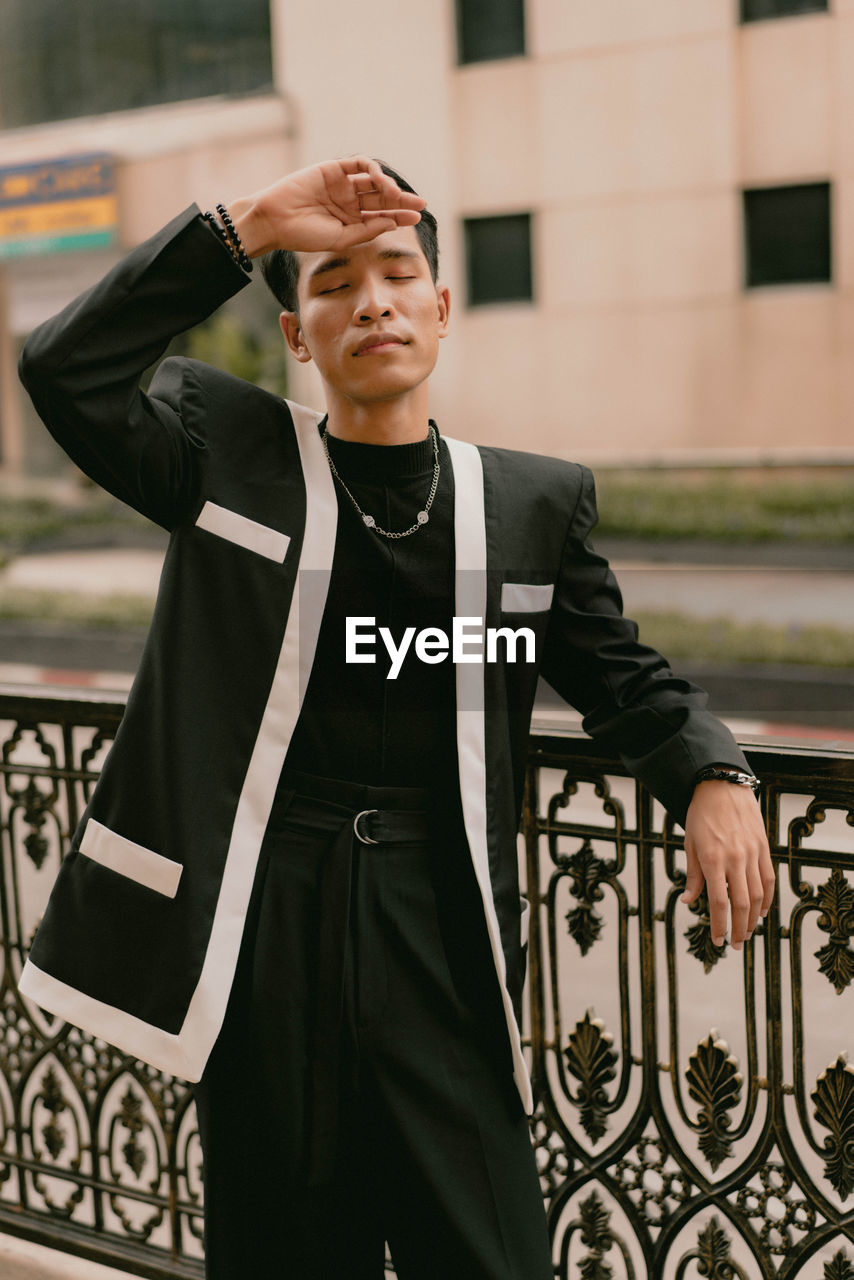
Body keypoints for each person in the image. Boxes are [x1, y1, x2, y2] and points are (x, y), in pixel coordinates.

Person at [17, 157, 775, 1279]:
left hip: (443, 939)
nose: (369, 300)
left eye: (396, 274)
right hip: (265, 933)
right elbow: (62, 366)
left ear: (440, 307)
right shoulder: (222, 449)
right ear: (294, 331)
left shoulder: (528, 505)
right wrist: (251, 222)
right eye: (332, 283)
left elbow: (620, 676)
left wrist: (714, 775)